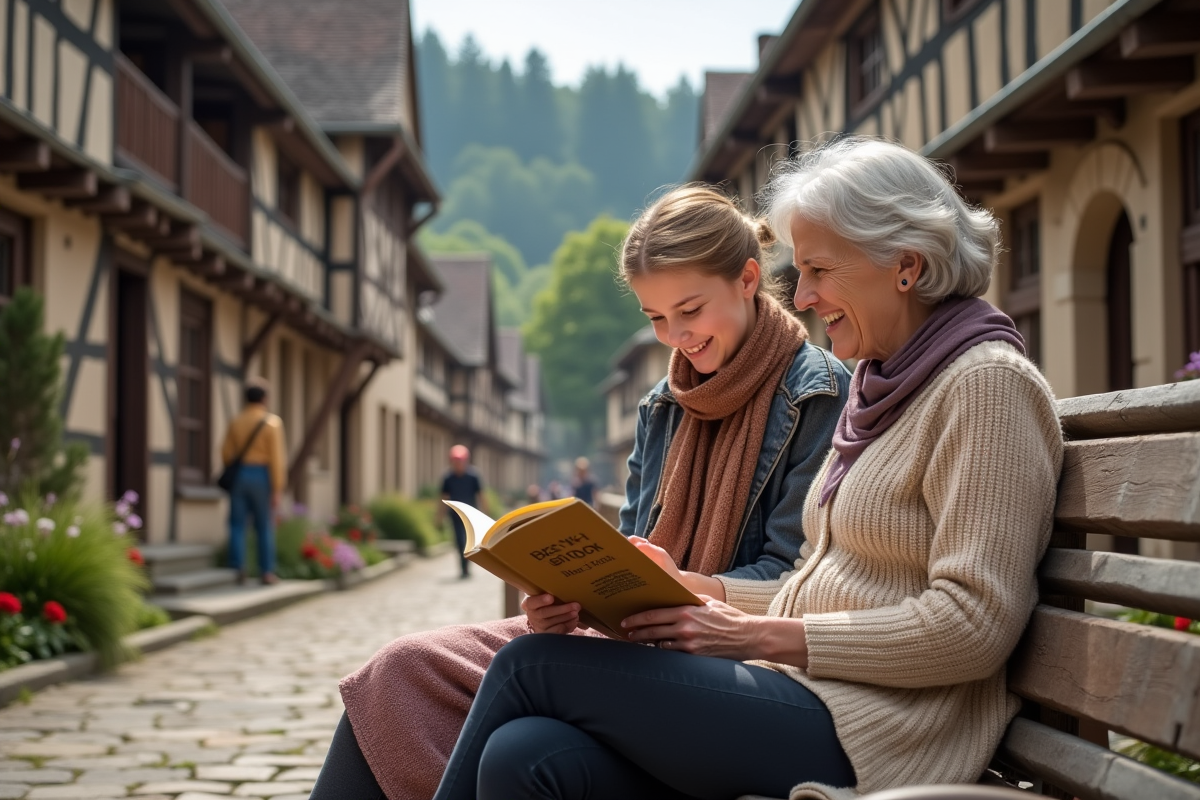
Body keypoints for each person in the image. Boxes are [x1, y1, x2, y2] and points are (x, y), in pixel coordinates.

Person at [427, 137, 1065, 800]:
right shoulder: (889, 386)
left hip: (883, 732)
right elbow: (829, 588)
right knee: (524, 755)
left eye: (819, 270)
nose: (806, 295)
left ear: (904, 265)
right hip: (809, 694)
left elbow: (973, 628)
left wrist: (754, 634)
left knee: (531, 666)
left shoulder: (984, 384)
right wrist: (692, 592)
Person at [309, 184, 851, 800]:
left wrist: (687, 587)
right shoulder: (662, 406)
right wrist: (568, 598)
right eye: (655, 319)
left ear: (748, 278)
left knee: (514, 705)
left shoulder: (819, 395)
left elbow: (795, 579)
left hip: (730, 657)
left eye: (690, 310)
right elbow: (631, 552)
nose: (675, 336)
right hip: (631, 638)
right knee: (396, 672)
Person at [220, 378, 287, 586]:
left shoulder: (236, 421)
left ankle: (237, 568)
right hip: (261, 475)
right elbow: (277, 459)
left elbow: (225, 452)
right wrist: (277, 488)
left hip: (240, 475)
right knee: (264, 525)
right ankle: (266, 572)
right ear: (264, 399)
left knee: (237, 524)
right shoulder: (272, 423)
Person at [435, 445, 483, 579]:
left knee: (470, 541)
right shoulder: (448, 478)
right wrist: (439, 516)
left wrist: (485, 512)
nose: (458, 465)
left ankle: (468, 566)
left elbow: (481, 495)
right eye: (455, 462)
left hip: (470, 515)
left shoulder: (473, 476)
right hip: (455, 515)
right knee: (459, 542)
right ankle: (463, 568)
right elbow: (443, 498)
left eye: (460, 461)